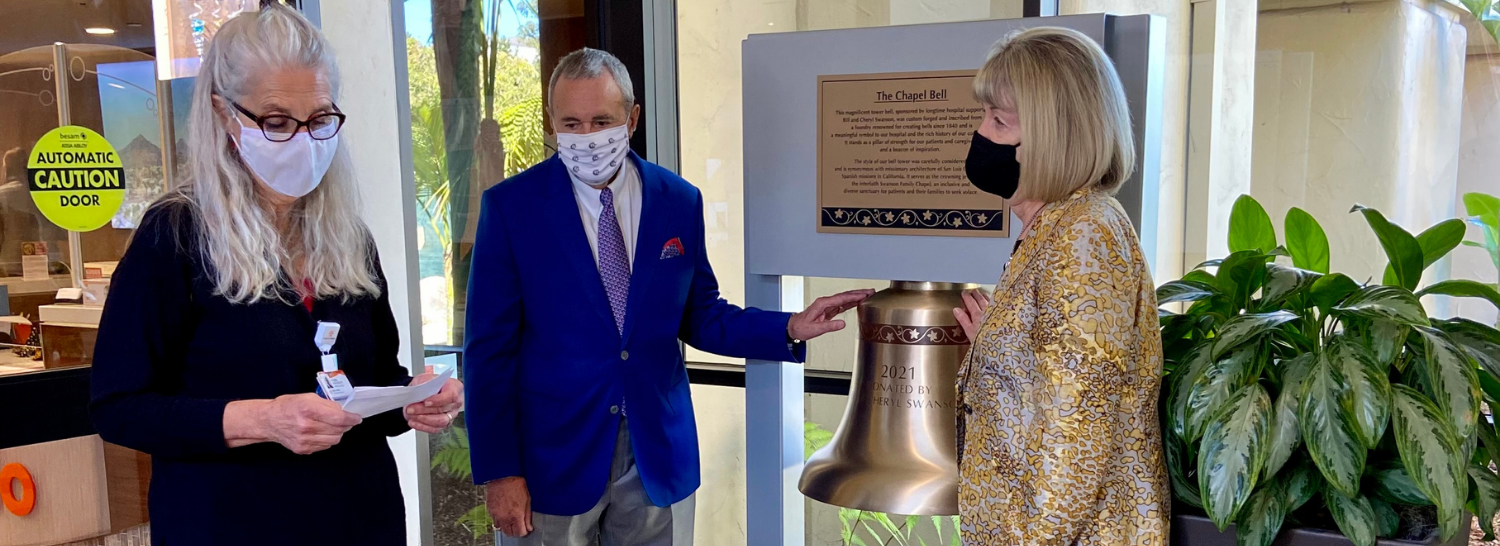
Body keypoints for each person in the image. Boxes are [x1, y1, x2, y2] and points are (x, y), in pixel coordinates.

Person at [465, 47, 872, 546]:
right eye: (570, 123)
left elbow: (700, 314)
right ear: (552, 121)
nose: (586, 138)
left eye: (601, 120)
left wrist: (786, 328)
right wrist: (500, 472)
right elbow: (489, 352)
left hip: (658, 458)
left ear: (632, 119)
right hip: (551, 465)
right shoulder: (510, 208)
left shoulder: (678, 200)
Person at [88, 5, 462, 545]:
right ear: (223, 114)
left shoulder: (346, 236)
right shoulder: (175, 236)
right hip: (231, 523)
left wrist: (411, 398)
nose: (305, 140)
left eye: (320, 119)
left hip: (359, 517)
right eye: (277, 121)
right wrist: (262, 420)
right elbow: (121, 408)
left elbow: (371, 380)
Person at [949, 27, 1168, 546]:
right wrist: (998, 346)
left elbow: (1079, 432)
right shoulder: (1056, 227)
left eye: (998, 121)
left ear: (1050, 136)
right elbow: (1052, 381)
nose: (980, 132)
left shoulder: (1085, 234)